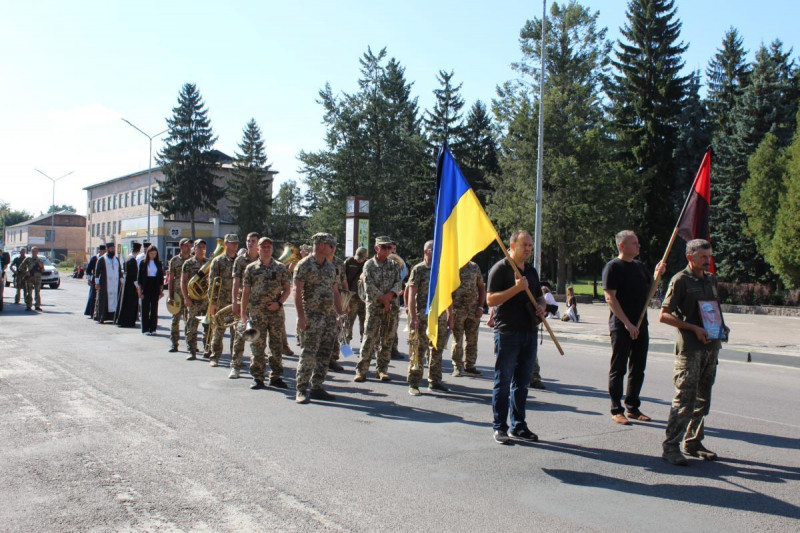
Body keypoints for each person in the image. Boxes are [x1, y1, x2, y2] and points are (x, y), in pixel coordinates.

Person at [659, 239, 728, 466]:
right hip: (690, 350)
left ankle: (693, 442)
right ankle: (671, 447)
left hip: (710, 348)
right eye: (703, 257)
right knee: (684, 401)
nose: (707, 262)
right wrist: (693, 328)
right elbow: (664, 315)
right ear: (690, 257)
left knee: (702, 399)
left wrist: (721, 326)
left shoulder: (710, 280)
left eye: (709, 257)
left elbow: (714, 308)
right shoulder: (680, 280)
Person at [486, 230, 545, 444]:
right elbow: (491, 300)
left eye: (530, 245)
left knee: (522, 382)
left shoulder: (531, 271)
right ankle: (499, 426)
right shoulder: (500, 269)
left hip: (529, 331)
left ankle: (518, 425)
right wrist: (516, 288)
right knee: (503, 382)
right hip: (508, 332)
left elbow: (539, 296)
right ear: (512, 245)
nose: (528, 249)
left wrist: (541, 307)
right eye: (524, 245)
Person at [602, 230, 666, 425]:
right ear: (622, 246)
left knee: (638, 367)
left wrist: (657, 275)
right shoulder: (612, 267)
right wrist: (627, 323)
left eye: (638, 242)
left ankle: (633, 407)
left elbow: (651, 291)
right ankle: (616, 408)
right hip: (621, 326)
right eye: (634, 243)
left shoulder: (639, 266)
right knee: (618, 368)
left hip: (640, 324)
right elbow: (609, 298)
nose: (639, 246)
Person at [293, 233, 344, 403]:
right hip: (312, 317)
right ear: (321, 246)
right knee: (309, 353)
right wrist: (301, 316)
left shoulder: (331, 267)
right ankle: (301, 388)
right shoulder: (304, 265)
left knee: (325, 352)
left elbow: (335, 291)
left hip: (329, 317)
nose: (333, 248)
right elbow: (297, 291)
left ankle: (317, 386)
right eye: (331, 245)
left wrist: (340, 312)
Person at [240, 236, 291, 390]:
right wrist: (243, 312)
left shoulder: (281, 267)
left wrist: (279, 303)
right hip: (257, 313)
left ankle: (276, 377)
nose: (266, 249)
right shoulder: (251, 268)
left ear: (272, 249)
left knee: (276, 346)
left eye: (269, 246)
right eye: (263, 247)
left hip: (275, 314)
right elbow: (246, 292)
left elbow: (287, 289)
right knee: (257, 346)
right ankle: (258, 377)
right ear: (258, 249)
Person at [353, 236, 403, 382]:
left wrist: (388, 298)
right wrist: (383, 299)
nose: (388, 249)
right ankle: (361, 371)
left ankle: (382, 370)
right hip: (374, 307)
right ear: (376, 248)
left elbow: (399, 284)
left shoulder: (394, 265)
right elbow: (368, 286)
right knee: (369, 338)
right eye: (384, 247)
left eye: (389, 247)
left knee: (387, 339)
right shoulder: (369, 264)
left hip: (391, 308)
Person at [406, 240, 449, 395]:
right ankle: (414, 383)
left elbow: (446, 294)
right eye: (433, 249)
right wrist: (412, 317)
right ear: (426, 251)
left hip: (440, 316)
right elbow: (411, 294)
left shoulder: (441, 269)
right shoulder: (419, 269)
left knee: (437, 349)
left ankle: (435, 381)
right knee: (419, 350)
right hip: (423, 316)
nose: (437, 251)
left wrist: (450, 314)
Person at [230, 232, 260, 378]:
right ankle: (235, 366)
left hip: (259, 304)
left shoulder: (264, 259)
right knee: (240, 334)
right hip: (244, 301)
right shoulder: (240, 260)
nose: (250, 243)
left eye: (253, 241)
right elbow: (235, 282)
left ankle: (258, 368)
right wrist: (235, 302)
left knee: (259, 337)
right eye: (248, 241)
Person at [449, 260, 486, 377]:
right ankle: (457, 366)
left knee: (472, 339)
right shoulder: (453, 266)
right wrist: (449, 311)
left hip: (473, 310)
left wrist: (481, 306)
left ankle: (470, 365)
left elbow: (481, 287)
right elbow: (447, 290)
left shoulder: (474, 266)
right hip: (457, 309)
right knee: (457, 339)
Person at [207, 234, 238, 367]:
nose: (235, 245)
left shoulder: (240, 261)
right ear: (226, 244)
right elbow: (212, 283)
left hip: (236, 301)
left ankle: (235, 358)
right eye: (232, 243)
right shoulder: (218, 261)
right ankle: (215, 357)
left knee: (236, 333)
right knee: (219, 330)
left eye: (236, 243)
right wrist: (212, 303)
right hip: (221, 301)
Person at [181, 239, 209, 360]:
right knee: (192, 327)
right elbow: (183, 281)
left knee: (208, 327)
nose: (201, 249)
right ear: (194, 248)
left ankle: (207, 349)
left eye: (203, 247)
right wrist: (186, 298)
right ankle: (191, 351)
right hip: (193, 300)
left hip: (206, 300)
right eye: (199, 246)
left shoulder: (209, 263)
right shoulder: (188, 263)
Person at [167, 238, 192, 352]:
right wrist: (170, 296)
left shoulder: (193, 260)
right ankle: (174, 343)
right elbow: (171, 279)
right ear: (181, 247)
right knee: (175, 319)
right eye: (186, 245)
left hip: (190, 293)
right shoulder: (174, 260)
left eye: (190, 246)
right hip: (177, 293)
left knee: (190, 320)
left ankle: (191, 344)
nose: (189, 248)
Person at [327, 241, 348, 372]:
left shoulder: (339, 262)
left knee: (337, 331)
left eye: (334, 246)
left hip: (338, 300)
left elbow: (344, 281)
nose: (333, 248)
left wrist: (346, 302)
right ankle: (320, 359)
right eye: (330, 246)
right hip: (322, 301)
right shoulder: (317, 261)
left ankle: (333, 359)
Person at [137, 244, 164, 335]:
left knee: (154, 308)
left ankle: (153, 328)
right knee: (145, 308)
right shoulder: (143, 263)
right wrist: (139, 291)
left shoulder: (158, 263)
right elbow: (140, 278)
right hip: (146, 286)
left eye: (155, 254)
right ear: (148, 253)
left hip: (155, 286)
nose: (153, 255)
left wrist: (161, 290)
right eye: (151, 253)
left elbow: (161, 278)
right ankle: (145, 329)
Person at [94, 243, 123, 323]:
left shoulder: (116, 259)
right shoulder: (102, 259)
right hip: (105, 284)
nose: (113, 250)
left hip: (115, 284)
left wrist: (121, 279)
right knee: (104, 300)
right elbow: (97, 272)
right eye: (111, 248)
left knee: (115, 300)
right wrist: (97, 283)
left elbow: (119, 271)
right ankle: (102, 317)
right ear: (107, 249)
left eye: (114, 248)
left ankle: (114, 317)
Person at [344, 247, 368, 343]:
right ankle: (346, 343)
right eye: (358, 257)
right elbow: (342, 278)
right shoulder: (349, 262)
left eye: (361, 258)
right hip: (352, 297)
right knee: (349, 321)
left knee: (365, 322)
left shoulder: (368, 264)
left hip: (364, 298)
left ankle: (364, 343)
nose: (359, 260)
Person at [116, 242, 141, 328]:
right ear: (138, 251)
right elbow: (134, 275)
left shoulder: (127, 257)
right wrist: (137, 286)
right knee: (130, 303)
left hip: (126, 283)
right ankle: (129, 321)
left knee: (125, 303)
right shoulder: (133, 259)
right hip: (131, 285)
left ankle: (123, 320)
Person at [19, 247, 45, 312]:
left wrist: (41, 267)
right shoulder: (28, 259)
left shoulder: (40, 260)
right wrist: (26, 272)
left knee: (37, 292)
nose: (34, 252)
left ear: (37, 252)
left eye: (35, 251)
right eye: (33, 251)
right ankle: (28, 306)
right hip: (30, 278)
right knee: (29, 292)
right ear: (31, 251)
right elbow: (20, 268)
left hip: (37, 278)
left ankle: (37, 306)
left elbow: (43, 270)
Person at [84, 245, 104, 316]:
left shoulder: (105, 259)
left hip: (103, 280)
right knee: (93, 296)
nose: (103, 252)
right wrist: (89, 279)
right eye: (102, 251)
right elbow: (88, 270)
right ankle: (91, 312)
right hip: (94, 280)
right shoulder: (94, 258)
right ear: (99, 251)